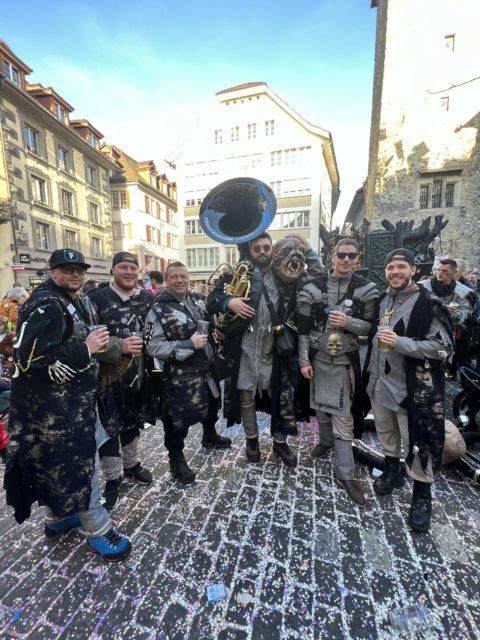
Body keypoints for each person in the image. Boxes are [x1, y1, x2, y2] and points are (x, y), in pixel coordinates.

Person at [4, 248, 131, 560]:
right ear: (53, 271)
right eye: (67, 269)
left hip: (68, 405)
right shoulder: (47, 304)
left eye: (79, 270)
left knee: (56, 466)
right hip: (60, 412)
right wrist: (86, 348)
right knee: (82, 469)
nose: (75, 274)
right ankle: (100, 533)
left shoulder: (65, 299)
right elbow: (26, 359)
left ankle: (57, 518)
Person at [365, 248, 453, 532]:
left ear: (413, 270)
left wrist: (400, 343)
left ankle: (422, 496)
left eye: (401, 267)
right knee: (386, 434)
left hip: (412, 390)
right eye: (390, 268)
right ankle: (393, 472)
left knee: (418, 442)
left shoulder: (429, 304)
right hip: (380, 384)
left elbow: (443, 348)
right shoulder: (383, 299)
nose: (395, 272)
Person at [207, 232, 301, 466]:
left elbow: (314, 276)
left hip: (274, 348)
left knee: (279, 395)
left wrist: (305, 248)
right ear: (250, 250)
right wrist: (229, 302)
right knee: (246, 395)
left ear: (272, 250)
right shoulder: (237, 274)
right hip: (244, 349)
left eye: (266, 247)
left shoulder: (284, 276)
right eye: (257, 248)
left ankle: (280, 441)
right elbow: (211, 301)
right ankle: (252, 440)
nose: (262, 252)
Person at [297, 238, 378, 504]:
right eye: (341, 255)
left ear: (357, 258)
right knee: (320, 407)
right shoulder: (311, 288)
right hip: (317, 359)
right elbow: (303, 330)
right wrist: (303, 361)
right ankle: (325, 440)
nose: (346, 260)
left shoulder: (366, 289)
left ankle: (346, 473)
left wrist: (348, 322)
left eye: (351, 256)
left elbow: (371, 327)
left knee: (343, 415)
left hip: (344, 362)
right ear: (333, 256)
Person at [145, 262, 230, 483]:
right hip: (180, 376)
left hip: (207, 370)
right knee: (177, 423)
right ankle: (176, 461)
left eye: (183, 276)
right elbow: (153, 347)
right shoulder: (158, 310)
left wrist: (218, 331)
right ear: (166, 280)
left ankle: (209, 436)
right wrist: (188, 344)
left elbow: (210, 323)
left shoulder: (198, 300)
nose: (180, 280)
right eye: (174, 276)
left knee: (212, 406)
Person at [84, 252, 154, 510]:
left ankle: (132, 464)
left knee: (134, 420)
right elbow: (85, 337)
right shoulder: (96, 298)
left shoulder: (147, 298)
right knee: (109, 426)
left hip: (139, 374)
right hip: (106, 379)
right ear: (112, 270)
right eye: (123, 267)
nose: (129, 272)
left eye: (133, 268)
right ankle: (113, 478)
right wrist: (119, 345)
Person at [420, 258, 474, 378]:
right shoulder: (423, 286)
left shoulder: (462, 291)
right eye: (438, 270)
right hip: (425, 329)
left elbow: (466, 311)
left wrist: (455, 314)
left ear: (453, 273)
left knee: (440, 363)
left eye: (445, 271)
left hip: (448, 331)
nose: (440, 273)